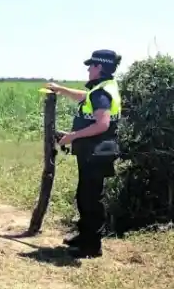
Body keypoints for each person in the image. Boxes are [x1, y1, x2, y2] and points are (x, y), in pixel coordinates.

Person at [45, 49, 123, 258]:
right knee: (86, 195)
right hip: (96, 151)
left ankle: (91, 246)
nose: (88, 69)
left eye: (91, 65)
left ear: (100, 68)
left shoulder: (101, 93)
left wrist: (72, 136)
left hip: (96, 152)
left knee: (90, 199)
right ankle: (85, 237)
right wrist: (61, 89)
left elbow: (102, 124)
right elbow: (85, 97)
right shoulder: (104, 88)